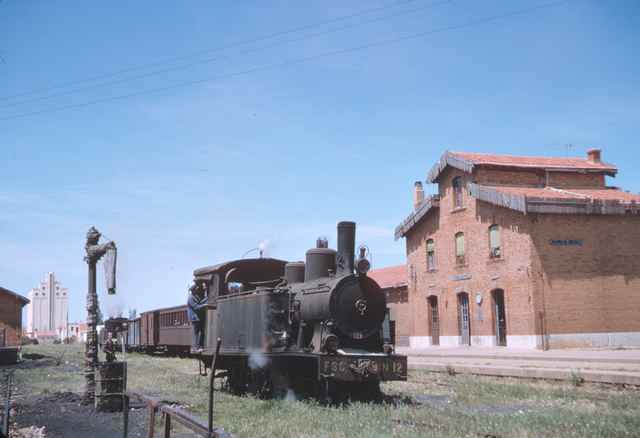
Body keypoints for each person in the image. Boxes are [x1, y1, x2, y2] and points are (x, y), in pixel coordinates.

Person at [187, 282, 207, 353]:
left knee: (202, 332)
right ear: (193, 290)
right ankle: (194, 348)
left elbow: (201, 302)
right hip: (194, 318)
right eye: (196, 289)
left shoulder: (196, 296)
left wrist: (207, 298)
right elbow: (196, 307)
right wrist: (205, 305)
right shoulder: (190, 298)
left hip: (199, 317)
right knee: (196, 333)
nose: (198, 290)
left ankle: (200, 346)